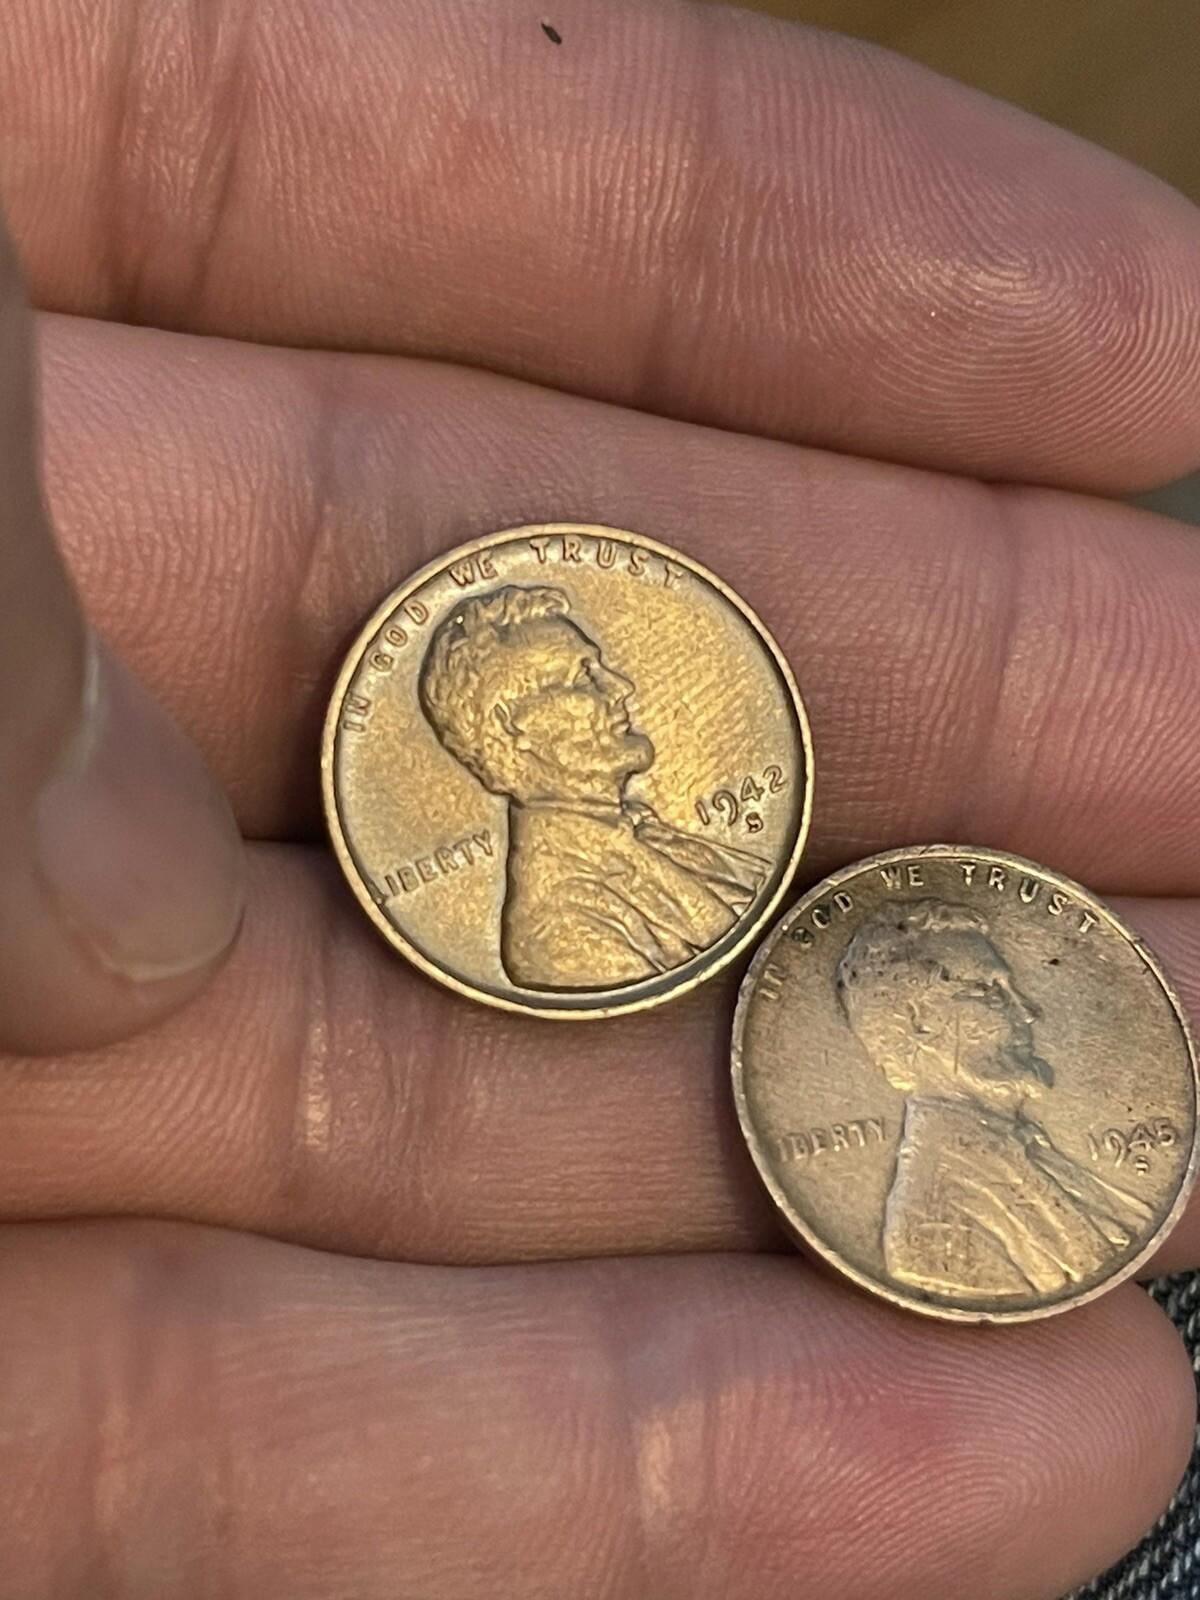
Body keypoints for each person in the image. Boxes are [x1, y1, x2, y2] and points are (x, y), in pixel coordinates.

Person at [0, 2, 1197, 1596]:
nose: (622, 705)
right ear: (498, 751)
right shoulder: (573, 923)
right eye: (575, 690)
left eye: (601, 676)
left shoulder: (686, 878)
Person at [419, 584, 768, 988]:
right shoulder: (560, 937)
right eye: (583, 678)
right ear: (509, 727)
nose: (620, 688)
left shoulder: (645, 834)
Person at [837, 900, 1153, 1299]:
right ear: (920, 1021)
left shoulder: (1028, 1151)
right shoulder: (936, 1230)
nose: (1027, 1011)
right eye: (990, 992)